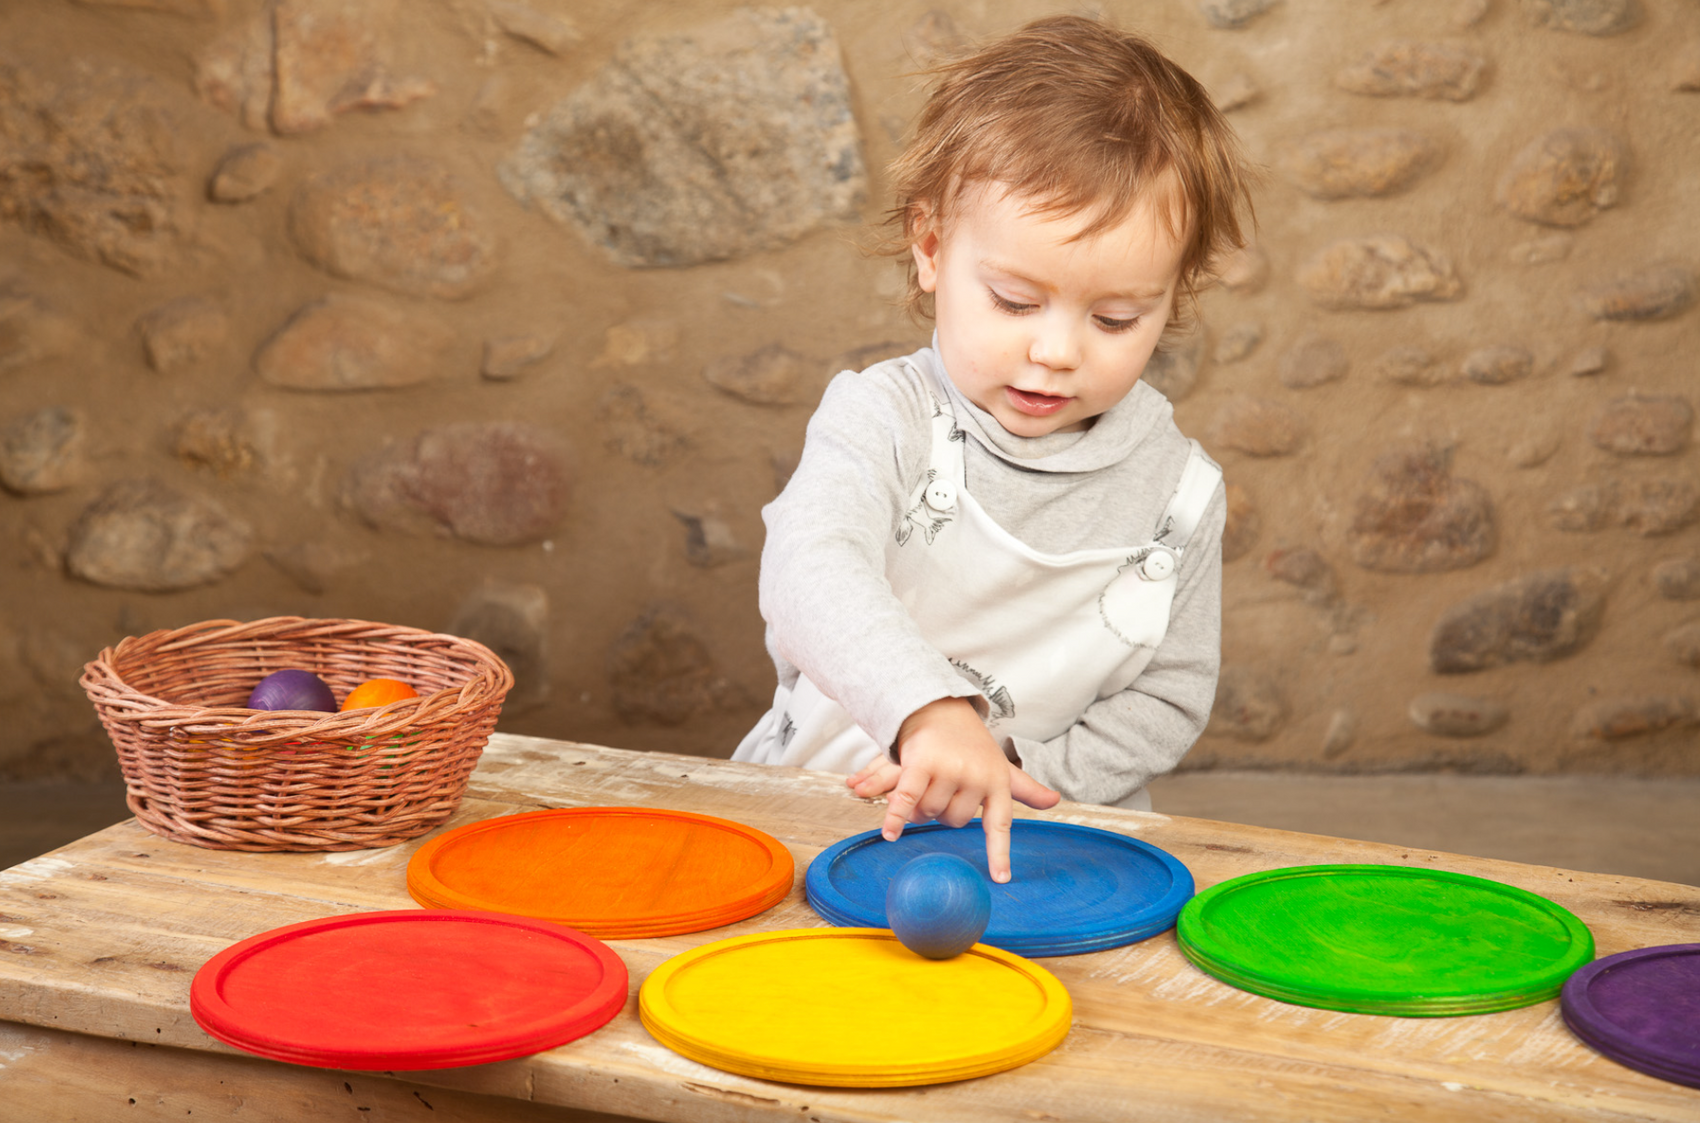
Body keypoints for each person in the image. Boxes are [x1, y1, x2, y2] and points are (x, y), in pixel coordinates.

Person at [732, 14, 1255, 883]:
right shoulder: (884, 419)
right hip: (816, 818)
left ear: (1173, 297)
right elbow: (807, 568)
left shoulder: (1182, 493)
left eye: (1116, 318)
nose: (1057, 350)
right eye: (1016, 301)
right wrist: (931, 715)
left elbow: (1167, 696)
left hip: (1044, 850)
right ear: (931, 246)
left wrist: (1005, 782)